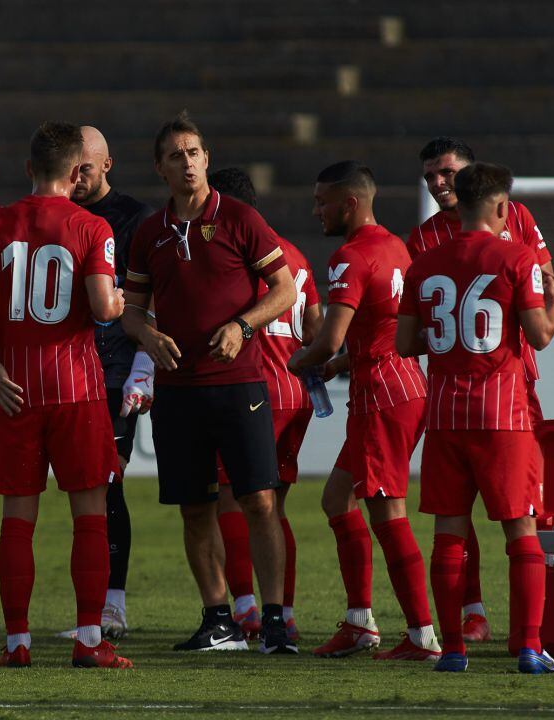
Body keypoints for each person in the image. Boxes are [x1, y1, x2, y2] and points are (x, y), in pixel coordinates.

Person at [0, 120, 132, 669]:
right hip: (77, 390)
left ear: (29, 169)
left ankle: (17, 644)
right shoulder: (91, 225)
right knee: (90, 516)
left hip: (16, 390)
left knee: (18, 518)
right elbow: (104, 309)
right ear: (77, 173)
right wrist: (122, 303)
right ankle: (88, 641)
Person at [122, 112, 298, 655]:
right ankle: (218, 618)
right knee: (194, 509)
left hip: (239, 385)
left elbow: (285, 289)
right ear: (161, 168)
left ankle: (273, 621)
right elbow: (130, 311)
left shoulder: (240, 217)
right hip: (178, 392)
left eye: (195, 152)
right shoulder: (149, 232)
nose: (189, 162)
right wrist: (147, 338)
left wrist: (243, 325)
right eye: (176, 155)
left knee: (260, 501)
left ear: (207, 159)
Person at [397, 162, 554, 674]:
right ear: (499, 207)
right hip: (504, 415)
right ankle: (531, 648)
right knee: (521, 533)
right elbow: (538, 336)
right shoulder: (516, 259)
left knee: (449, 535)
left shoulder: (424, 263)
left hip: (445, 414)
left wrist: (451, 344)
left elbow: (405, 344)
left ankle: (452, 649)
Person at [289, 161, 439, 661]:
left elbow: (328, 336)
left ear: (349, 202)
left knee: (387, 511)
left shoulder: (349, 256)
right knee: (337, 498)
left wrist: (300, 359)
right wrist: (341, 364)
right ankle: (360, 624)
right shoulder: (396, 245)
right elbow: (386, 327)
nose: (317, 211)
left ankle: (422, 636)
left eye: (322, 201)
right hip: (400, 382)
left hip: (383, 394)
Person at [209, 167, 322, 643]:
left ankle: (247, 610)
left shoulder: (234, 249)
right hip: (294, 394)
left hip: (252, 390)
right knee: (273, 510)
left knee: (232, 503)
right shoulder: (294, 255)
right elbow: (314, 327)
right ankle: (285, 612)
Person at [57, 125, 154, 640]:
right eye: (72, 170)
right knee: (76, 489)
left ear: (107, 166)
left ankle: (111, 606)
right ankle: (89, 612)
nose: (77, 179)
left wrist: (145, 365)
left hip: (116, 373)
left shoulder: (134, 219)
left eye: (87, 170)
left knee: (106, 483)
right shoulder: (59, 215)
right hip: (65, 372)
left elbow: (149, 297)